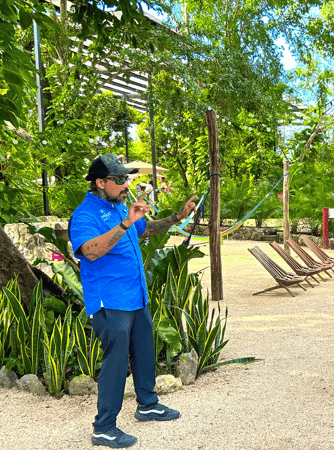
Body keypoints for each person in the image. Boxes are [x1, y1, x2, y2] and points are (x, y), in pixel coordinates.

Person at [69, 154, 197, 448]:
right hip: (110, 300)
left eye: (126, 179)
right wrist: (126, 222)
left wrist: (177, 216)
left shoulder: (119, 207)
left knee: (143, 349)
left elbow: (145, 229)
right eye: (119, 179)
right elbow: (90, 251)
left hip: (135, 295)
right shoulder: (85, 214)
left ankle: (147, 405)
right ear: (100, 183)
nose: (126, 184)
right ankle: (103, 428)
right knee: (115, 362)